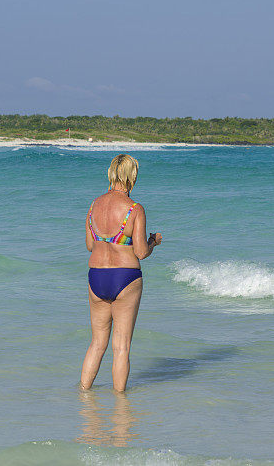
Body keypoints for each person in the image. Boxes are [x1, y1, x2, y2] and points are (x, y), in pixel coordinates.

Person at [80, 154, 162, 391]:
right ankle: (120, 406)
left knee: (97, 343)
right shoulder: (135, 209)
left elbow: (89, 245)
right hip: (125, 277)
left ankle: (84, 397)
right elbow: (140, 252)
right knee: (121, 347)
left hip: (96, 277)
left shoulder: (94, 205)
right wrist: (153, 242)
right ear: (132, 176)